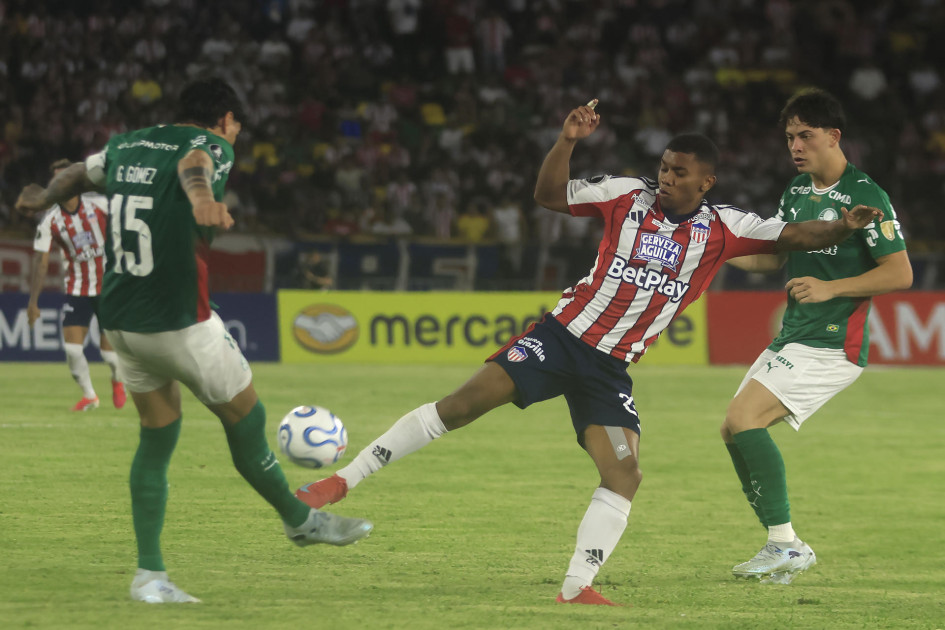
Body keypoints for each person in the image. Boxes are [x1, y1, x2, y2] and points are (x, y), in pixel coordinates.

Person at [292, 98, 883, 606]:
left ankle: (577, 586)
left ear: (706, 183)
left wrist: (847, 226)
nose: (667, 178)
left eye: (679, 172)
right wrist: (566, 142)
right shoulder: (624, 195)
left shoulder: (725, 228)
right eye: (664, 168)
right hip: (558, 339)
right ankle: (337, 485)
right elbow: (549, 194)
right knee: (463, 405)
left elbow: (798, 235)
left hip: (609, 370)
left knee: (624, 473)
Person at [15, 78, 373, 604]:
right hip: (180, 321)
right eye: (237, 128)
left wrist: (43, 196)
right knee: (247, 420)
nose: (235, 138)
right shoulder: (210, 144)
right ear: (225, 118)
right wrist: (202, 199)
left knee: (156, 441)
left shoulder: (128, 144)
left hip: (121, 321)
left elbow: (76, 173)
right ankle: (300, 521)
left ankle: (149, 576)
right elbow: (195, 166)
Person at [722, 88, 912, 584]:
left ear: (834, 136)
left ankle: (786, 545)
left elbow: (899, 273)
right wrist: (714, 248)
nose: (796, 145)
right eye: (789, 137)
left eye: (805, 135)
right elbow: (770, 258)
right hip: (793, 336)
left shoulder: (866, 194)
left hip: (834, 344)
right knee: (732, 429)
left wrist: (832, 288)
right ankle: (782, 543)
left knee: (744, 418)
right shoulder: (796, 193)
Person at [28, 158, 125, 411]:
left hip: (108, 287)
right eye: (56, 180)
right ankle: (90, 396)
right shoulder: (50, 221)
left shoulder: (100, 204)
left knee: (109, 356)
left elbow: (127, 224)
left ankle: (117, 380)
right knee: (72, 350)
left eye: (65, 178)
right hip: (77, 289)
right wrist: (33, 302)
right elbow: (40, 261)